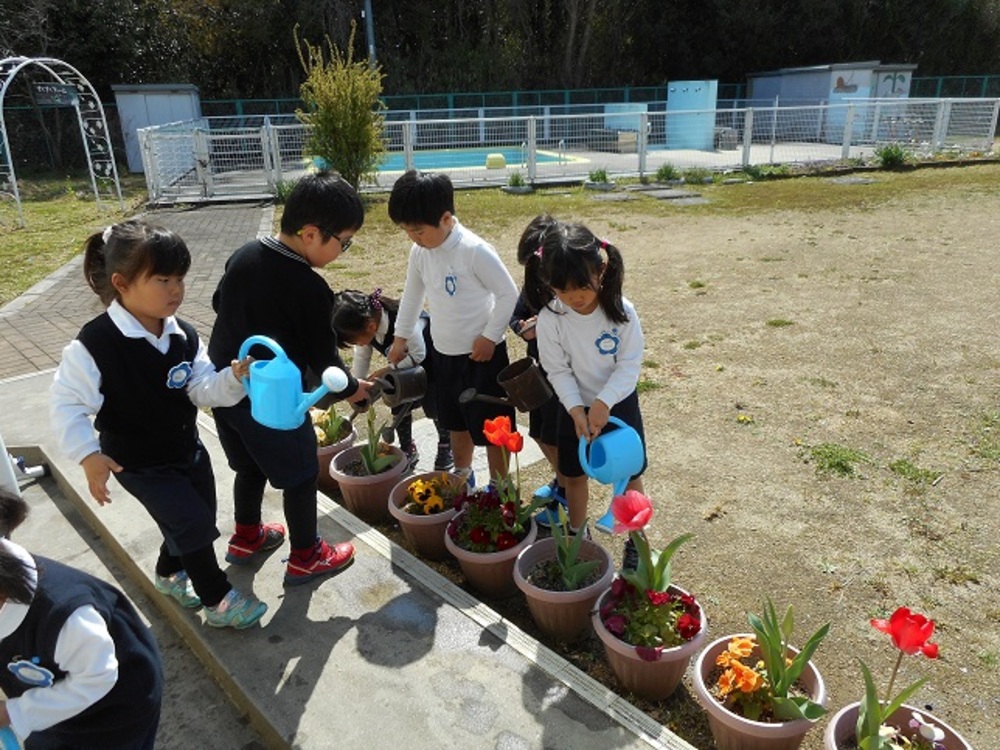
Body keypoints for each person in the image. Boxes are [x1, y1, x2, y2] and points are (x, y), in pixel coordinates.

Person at [50, 220, 267, 629]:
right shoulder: (94, 345)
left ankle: (170, 573)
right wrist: (88, 455)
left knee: (195, 516)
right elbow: (66, 403)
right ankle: (218, 600)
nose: (175, 290)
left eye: (180, 278)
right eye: (163, 279)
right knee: (192, 523)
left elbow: (202, 388)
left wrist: (234, 378)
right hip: (136, 462)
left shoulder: (183, 335)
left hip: (186, 451)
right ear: (122, 283)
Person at [209, 171, 369, 586]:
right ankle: (307, 555)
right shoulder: (310, 288)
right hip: (273, 401)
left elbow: (216, 302)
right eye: (344, 242)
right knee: (299, 476)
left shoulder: (243, 255)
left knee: (249, 468)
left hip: (226, 390)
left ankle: (246, 537)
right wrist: (354, 390)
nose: (344, 250)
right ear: (313, 234)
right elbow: (325, 359)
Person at [0, 489, 164, 749]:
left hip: (115, 710)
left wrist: (13, 712)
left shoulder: (65, 616)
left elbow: (97, 677)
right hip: (52, 697)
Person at [385, 170, 519, 487]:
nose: (413, 238)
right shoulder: (420, 252)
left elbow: (507, 293)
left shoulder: (474, 250)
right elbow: (412, 295)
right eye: (407, 231)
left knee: (492, 426)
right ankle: (463, 474)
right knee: (456, 422)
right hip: (444, 353)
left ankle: (499, 487)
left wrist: (490, 336)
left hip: (483, 357)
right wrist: (400, 337)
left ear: (446, 219)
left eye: (418, 231)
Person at [526, 220, 647, 554]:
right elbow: (557, 369)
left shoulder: (622, 312)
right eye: (561, 290)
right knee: (573, 474)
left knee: (629, 473)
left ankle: (636, 540)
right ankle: (578, 536)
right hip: (574, 406)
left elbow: (629, 364)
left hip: (618, 405)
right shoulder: (552, 318)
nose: (573, 297)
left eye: (581, 286)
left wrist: (605, 402)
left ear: (601, 270)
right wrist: (577, 409)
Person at [331, 288, 454, 471]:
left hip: (432, 363)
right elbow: (362, 357)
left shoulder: (403, 319)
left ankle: (446, 444)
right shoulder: (368, 327)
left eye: (355, 341)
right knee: (396, 397)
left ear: (370, 326)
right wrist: (357, 384)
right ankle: (407, 448)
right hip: (404, 369)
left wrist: (386, 370)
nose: (358, 345)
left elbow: (418, 354)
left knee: (435, 407)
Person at [511, 215, 568, 528]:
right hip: (538, 370)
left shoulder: (569, 281)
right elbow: (516, 315)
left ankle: (568, 498)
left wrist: (544, 326)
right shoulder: (532, 282)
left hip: (565, 374)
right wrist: (523, 328)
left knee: (558, 437)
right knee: (538, 432)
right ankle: (561, 481)